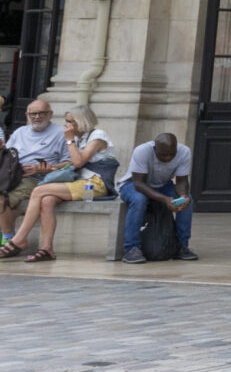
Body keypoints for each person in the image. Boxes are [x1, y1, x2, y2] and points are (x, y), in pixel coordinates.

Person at [1, 108, 117, 262]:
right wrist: (51, 168)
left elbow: (78, 162)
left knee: (38, 191)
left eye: (70, 121)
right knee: (46, 200)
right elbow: (71, 163)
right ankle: (47, 249)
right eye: (66, 120)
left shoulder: (98, 136)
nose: (66, 125)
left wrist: (69, 140)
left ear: (81, 121)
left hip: (96, 184)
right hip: (79, 181)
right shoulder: (79, 138)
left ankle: (19, 239)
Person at [119, 132, 194, 263]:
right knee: (139, 200)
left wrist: (183, 196)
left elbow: (182, 181)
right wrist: (165, 199)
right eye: (163, 155)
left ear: (176, 148)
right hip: (132, 185)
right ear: (155, 149)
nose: (167, 158)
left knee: (188, 201)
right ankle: (131, 248)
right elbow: (139, 184)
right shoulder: (142, 151)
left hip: (163, 185)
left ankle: (182, 246)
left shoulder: (184, 152)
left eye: (171, 154)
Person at [1, 97, 67, 243]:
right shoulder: (20, 132)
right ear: (27, 115)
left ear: (50, 114)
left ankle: (9, 240)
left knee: (1, 201)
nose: (37, 117)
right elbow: (7, 155)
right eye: (33, 114)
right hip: (11, 176)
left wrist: (49, 168)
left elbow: (71, 163)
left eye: (41, 113)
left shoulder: (61, 133)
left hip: (36, 179)